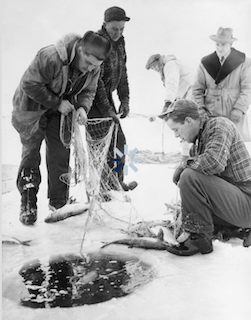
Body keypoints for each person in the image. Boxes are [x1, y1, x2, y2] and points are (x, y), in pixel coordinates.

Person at [12, 31, 111, 225]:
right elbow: (29, 83)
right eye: (88, 63)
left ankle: (59, 203)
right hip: (31, 106)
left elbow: (90, 90)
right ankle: (28, 204)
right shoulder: (50, 56)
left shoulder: (94, 67)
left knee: (61, 152)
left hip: (62, 109)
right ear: (80, 49)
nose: (90, 68)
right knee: (31, 153)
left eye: (95, 66)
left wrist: (83, 107)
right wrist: (56, 103)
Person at [162, 99, 251, 256]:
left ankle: (198, 240)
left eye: (176, 129)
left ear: (188, 121)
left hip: (247, 200)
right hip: (237, 203)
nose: (176, 135)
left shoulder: (219, 125)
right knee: (188, 186)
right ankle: (229, 229)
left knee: (189, 175)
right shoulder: (199, 140)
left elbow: (214, 162)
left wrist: (184, 166)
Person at [88, 6, 137, 192]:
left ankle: (115, 182)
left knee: (119, 142)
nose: (118, 33)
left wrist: (125, 100)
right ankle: (101, 188)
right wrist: (108, 109)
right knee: (99, 145)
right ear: (105, 24)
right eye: (114, 29)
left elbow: (123, 73)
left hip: (108, 97)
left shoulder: (120, 42)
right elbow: (96, 81)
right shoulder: (97, 42)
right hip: (91, 99)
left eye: (122, 29)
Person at [193, 27, 251, 142]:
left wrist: (239, 108)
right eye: (217, 44)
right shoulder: (205, 62)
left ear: (230, 44)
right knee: (214, 145)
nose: (220, 48)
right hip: (211, 112)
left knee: (237, 146)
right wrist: (200, 109)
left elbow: (248, 89)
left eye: (223, 44)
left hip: (233, 111)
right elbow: (196, 90)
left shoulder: (244, 62)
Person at [146, 54, 194, 160]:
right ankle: (186, 157)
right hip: (186, 95)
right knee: (184, 125)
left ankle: (187, 158)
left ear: (158, 62)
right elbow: (177, 89)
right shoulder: (167, 67)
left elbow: (172, 84)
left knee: (186, 125)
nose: (155, 70)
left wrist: (167, 103)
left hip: (193, 93)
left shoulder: (170, 65)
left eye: (154, 67)